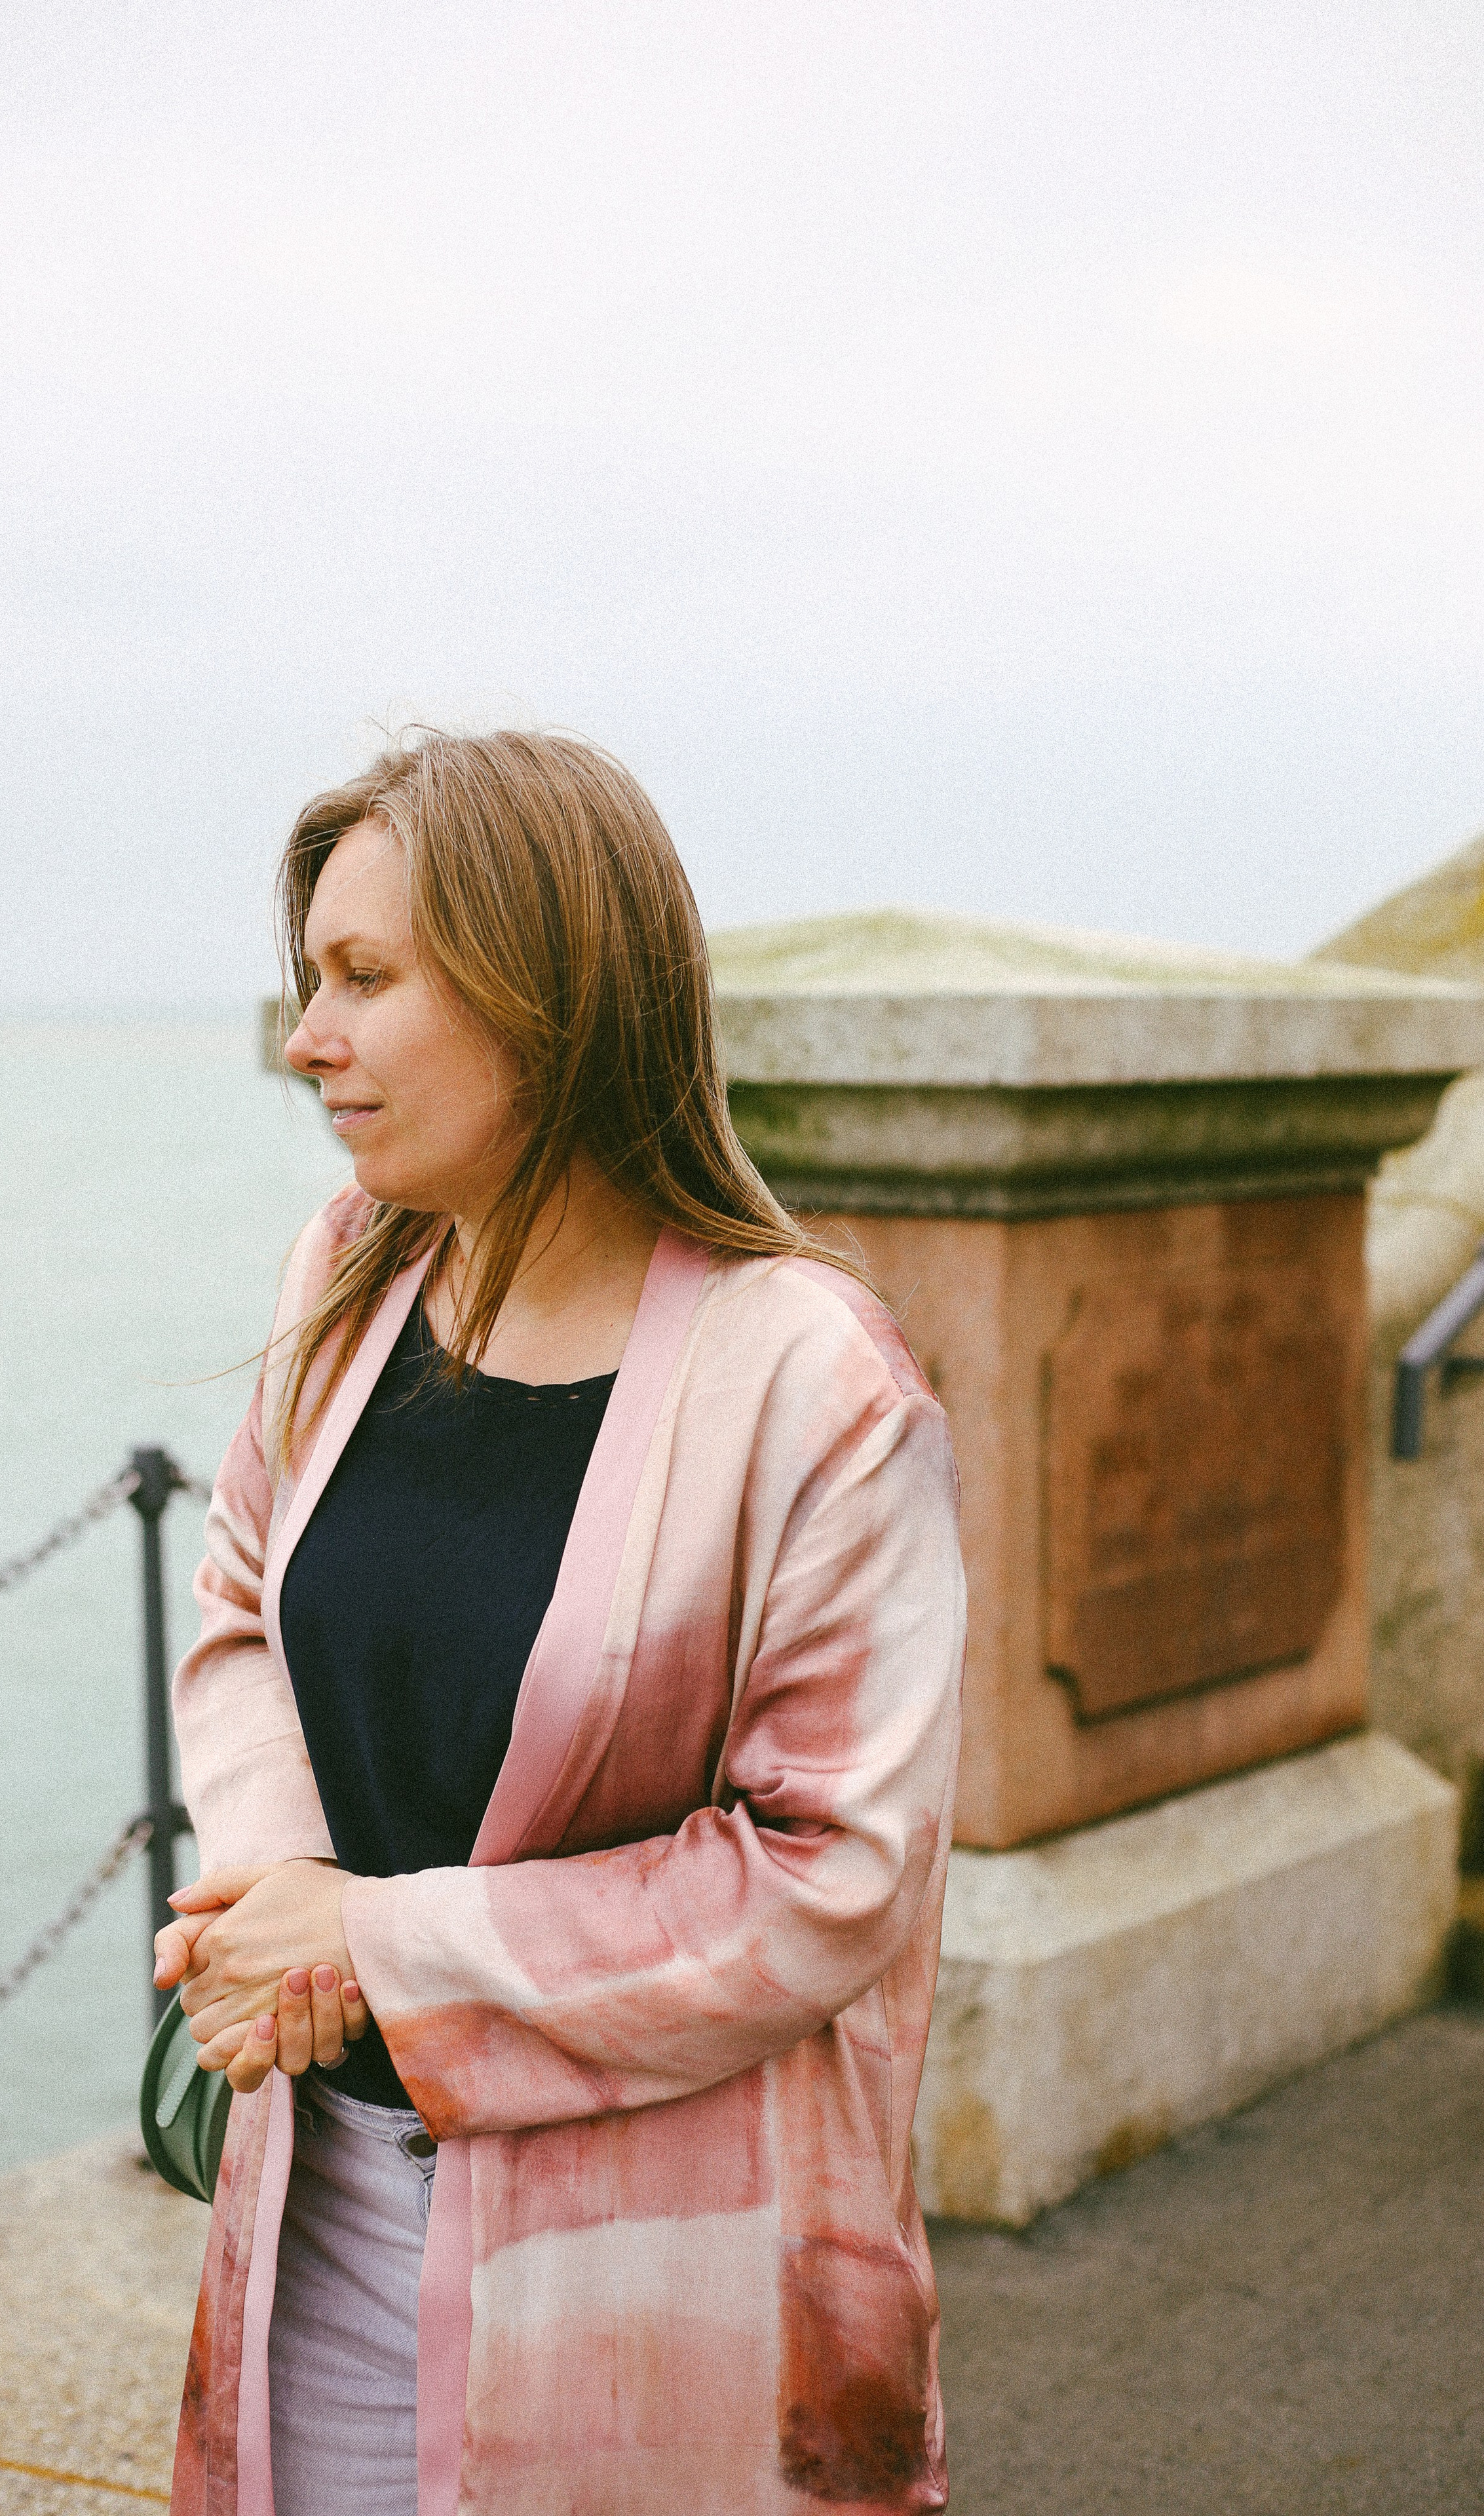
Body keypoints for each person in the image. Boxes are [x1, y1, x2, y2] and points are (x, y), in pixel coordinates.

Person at [152, 729, 965, 2516]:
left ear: (553, 993)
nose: (308, 1038)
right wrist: (291, 1908)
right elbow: (235, 1590)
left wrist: (383, 1947)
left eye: (366, 979)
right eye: (310, 982)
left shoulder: (813, 1384)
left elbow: (832, 1870)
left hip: (659, 2287)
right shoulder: (353, 1270)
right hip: (322, 2222)